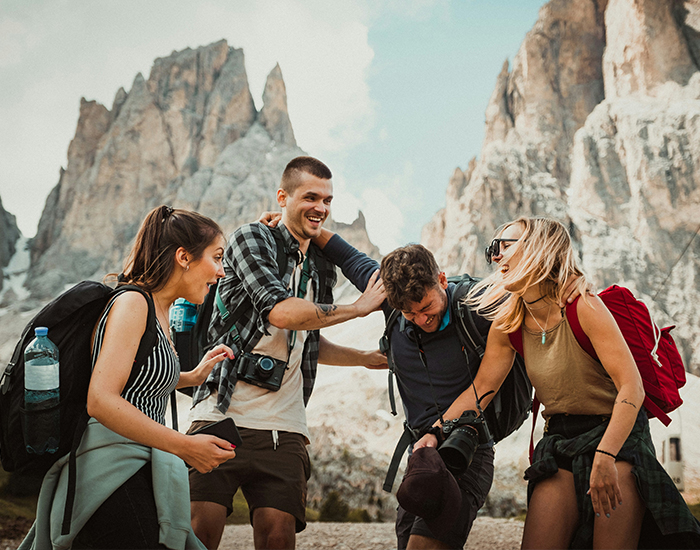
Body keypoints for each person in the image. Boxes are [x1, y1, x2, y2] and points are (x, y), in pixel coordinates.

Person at [414, 216, 700, 548]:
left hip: (617, 436)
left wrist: (606, 456)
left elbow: (631, 387)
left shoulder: (584, 307)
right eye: (493, 248)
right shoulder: (508, 323)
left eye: (505, 246)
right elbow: (481, 390)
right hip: (560, 439)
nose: (495, 256)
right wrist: (434, 432)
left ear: (539, 249)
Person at [187, 156, 387, 550]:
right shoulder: (251, 239)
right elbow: (280, 312)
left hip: (286, 425)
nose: (322, 208)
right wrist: (358, 308)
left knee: (279, 538)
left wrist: (363, 358)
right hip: (222, 412)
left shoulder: (322, 266)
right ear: (282, 196)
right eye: (310, 196)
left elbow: (309, 338)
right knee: (198, 534)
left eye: (328, 200)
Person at [20, 205, 238, 550]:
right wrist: (185, 447)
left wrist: (192, 375)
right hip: (111, 469)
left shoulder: (160, 311)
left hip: (139, 462)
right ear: (184, 256)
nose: (222, 271)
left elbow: (136, 377)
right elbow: (102, 400)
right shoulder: (134, 303)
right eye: (216, 257)